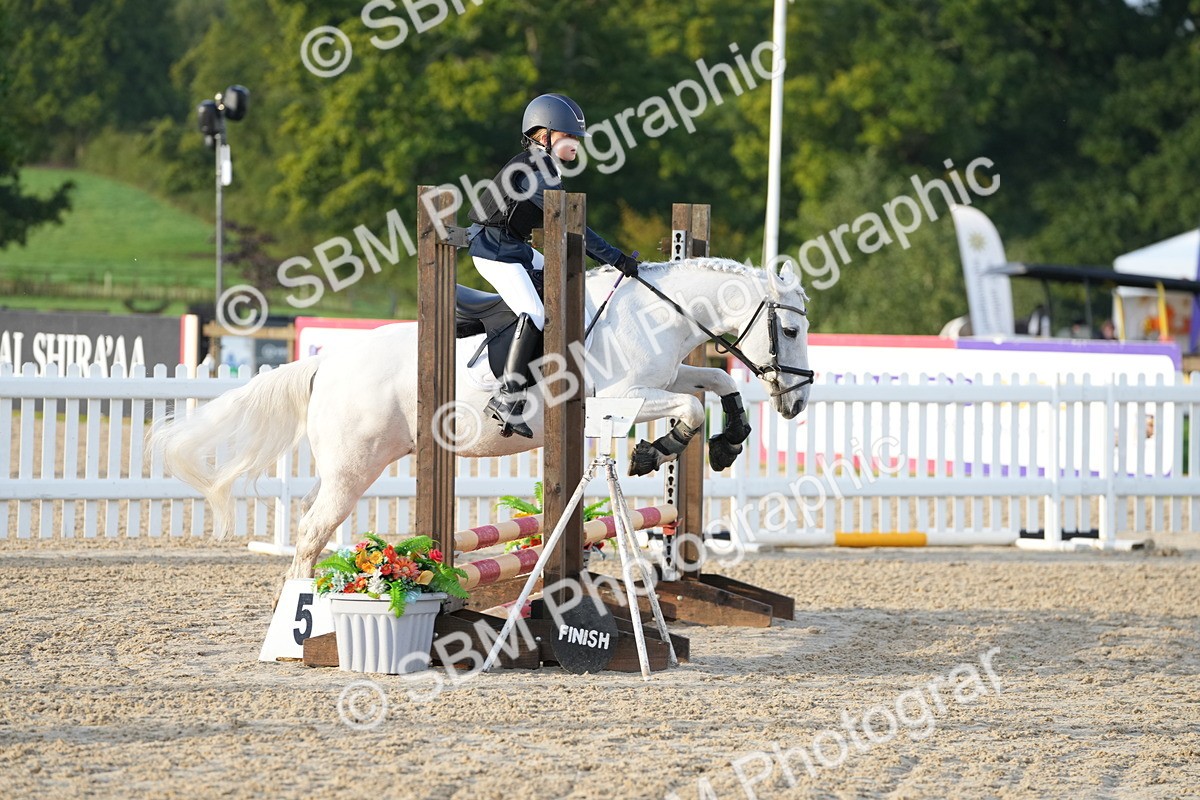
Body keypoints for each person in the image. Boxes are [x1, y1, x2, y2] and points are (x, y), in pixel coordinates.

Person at [466, 93, 640, 438]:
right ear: (544, 136)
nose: (576, 143)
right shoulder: (536, 168)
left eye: (576, 137)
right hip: (492, 249)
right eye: (569, 136)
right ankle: (507, 397)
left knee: (561, 280)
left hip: (512, 247)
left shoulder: (542, 166)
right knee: (533, 311)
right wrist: (615, 257)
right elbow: (572, 226)